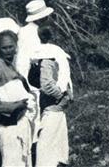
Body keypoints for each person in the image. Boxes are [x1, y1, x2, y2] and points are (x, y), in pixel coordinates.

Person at [0, 29, 37, 167]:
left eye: (11, 46)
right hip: (8, 126)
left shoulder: (9, 63)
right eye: (4, 48)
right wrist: (14, 106)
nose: (8, 51)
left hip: (18, 123)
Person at [30, 25, 72, 167]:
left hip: (56, 106)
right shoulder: (47, 60)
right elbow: (47, 85)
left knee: (56, 138)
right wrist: (60, 96)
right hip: (53, 105)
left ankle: (56, 162)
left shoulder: (47, 57)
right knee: (47, 142)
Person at [17, 0, 54, 81]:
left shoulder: (25, 30)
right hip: (29, 72)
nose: (48, 19)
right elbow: (33, 56)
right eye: (46, 17)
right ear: (41, 18)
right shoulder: (32, 33)